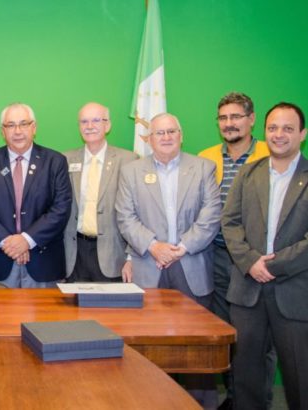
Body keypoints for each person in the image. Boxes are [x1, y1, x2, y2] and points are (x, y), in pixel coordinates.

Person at [115, 112, 221, 407]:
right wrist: (153, 247)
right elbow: (125, 216)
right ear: (149, 139)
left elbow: (211, 217)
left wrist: (182, 248)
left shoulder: (203, 168)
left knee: (196, 351)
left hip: (192, 267)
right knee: (147, 349)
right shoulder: (132, 171)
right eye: (159, 133)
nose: (165, 137)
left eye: (171, 131)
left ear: (181, 134)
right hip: (149, 267)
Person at [222, 102, 308, 410]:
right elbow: (229, 222)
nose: (279, 135)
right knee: (246, 376)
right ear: (264, 131)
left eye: (287, 128)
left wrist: (273, 265)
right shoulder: (248, 173)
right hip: (247, 291)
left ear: (302, 134)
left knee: (300, 378)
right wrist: (250, 262)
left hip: (295, 292)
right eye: (273, 128)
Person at [198, 92, 273, 410]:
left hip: (256, 262)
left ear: (251, 119)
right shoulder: (206, 157)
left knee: (256, 340)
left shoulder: (272, 153)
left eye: (236, 117)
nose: (229, 124)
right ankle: (230, 397)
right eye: (223, 118)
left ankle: (254, 402)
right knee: (220, 333)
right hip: (214, 258)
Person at [0, 103, 71, 288]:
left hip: (43, 262)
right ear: (2, 131)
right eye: (10, 125)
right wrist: (9, 242)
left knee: (44, 317)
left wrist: (27, 240)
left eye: (23, 124)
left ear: (34, 127)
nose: (17, 131)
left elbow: (60, 208)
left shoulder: (55, 161)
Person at [63, 102, 137, 282]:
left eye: (96, 120)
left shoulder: (129, 160)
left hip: (113, 254)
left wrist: (131, 257)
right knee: (73, 309)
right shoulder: (64, 159)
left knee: (109, 310)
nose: (89, 126)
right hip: (74, 254)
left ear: (108, 125)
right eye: (84, 122)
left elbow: (137, 212)